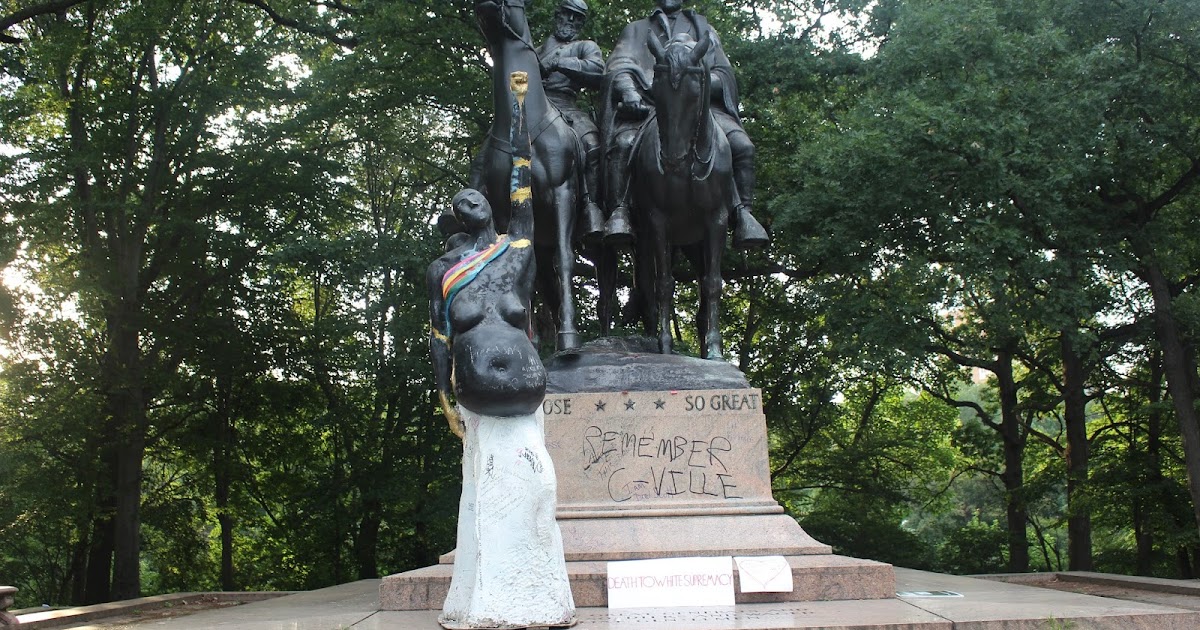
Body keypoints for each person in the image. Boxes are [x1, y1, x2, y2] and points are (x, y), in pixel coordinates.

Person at [428, 71, 575, 629]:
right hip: (478, 395)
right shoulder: (444, 271)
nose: (469, 200)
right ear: (457, 221)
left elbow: (522, 180)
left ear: (486, 205)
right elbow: (441, 336)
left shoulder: (516, 250)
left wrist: (518, 112)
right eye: (459, 202)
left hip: (527, 391)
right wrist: (444, 397)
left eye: (473, 194)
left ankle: (536, 594)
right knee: (487, 490)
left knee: (537, 485)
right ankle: (487, 597)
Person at [600, 0, 768, 248]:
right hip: (651, 106)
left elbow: (724, 74)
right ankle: (620, 211)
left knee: (742, 147)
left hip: (698, 106)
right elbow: (618, 65)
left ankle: (743, 212)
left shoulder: (704, 29)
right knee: (624, 143)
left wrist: (699, 84)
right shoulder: (636, 30)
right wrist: (629, 91)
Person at [537, 0, 606, 240]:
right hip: (534, 106)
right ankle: (475, 195)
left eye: (577, 18)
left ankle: (591, 207)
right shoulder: (535, 49)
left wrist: (558, 63)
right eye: (567, 15)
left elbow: (597, 71)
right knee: (492, 144)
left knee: (593, 145)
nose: (571, 21)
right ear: (557, 14)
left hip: (567, 105)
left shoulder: (585, 46)